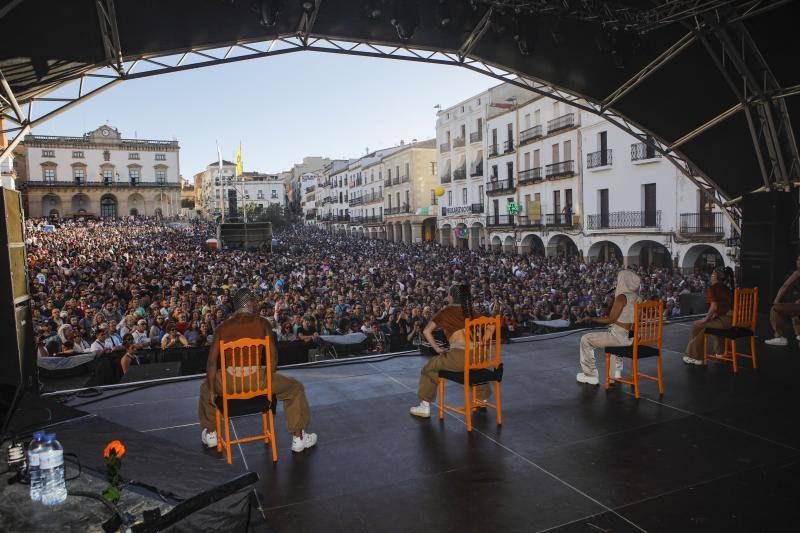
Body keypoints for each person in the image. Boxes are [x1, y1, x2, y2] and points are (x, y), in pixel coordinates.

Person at [198, 288, 317, 453]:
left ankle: (211, 434)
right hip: (259, 381)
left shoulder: (222, 327)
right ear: (247, 303)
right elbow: (273, 356)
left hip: (229, 384)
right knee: (295, 387)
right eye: (253, 300)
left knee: (205, 388)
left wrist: (212, 390)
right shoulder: (262, 324)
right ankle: (298, 438)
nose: (256, 303)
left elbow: (211, 363)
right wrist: (268, 377)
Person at [410, 284, 490, 418]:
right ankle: (481, 399)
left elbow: (426, 331)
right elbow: (488, 326)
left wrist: (437, 348)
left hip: (460, 357)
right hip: (480, 356)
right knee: (476, 369)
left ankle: (424, 406)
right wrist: (481, 342)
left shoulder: (446, 312)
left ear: (451, 296)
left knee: (430, 367)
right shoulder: (471, 311)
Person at [575, 270, 641, 385]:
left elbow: (610, 320)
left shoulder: (621, 298)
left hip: (619, 337)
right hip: (632, 339)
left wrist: (591, 318)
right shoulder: (638, 298)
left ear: (623, 281)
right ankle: (616, 372)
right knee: (613, 340)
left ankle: (590, 375)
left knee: (586, 339)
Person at [683, 270, 732, 364]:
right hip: (732, 320)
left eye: (713, 274)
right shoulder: (727, 288)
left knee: (696, 326)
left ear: (715, 277)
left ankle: (695, 356)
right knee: (705, 327)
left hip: (724, 321)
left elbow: (714, 306)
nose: (711, 276)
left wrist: (706, 319)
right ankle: (721, 351)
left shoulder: (713, 288)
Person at [765, 254, 800, 346]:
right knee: (775, 309)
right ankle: (781, 337)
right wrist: (776, 300)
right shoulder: (797, 273)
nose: (798, 262)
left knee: (775, 309)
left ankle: (780, 337)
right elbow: (784, 287)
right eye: (798, 260)